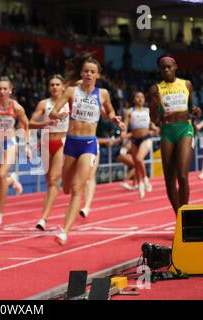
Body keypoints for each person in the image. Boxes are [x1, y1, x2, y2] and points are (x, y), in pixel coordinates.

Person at [50, 56, 126, 245]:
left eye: (92, 72)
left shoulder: (103, 94)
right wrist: (58, 115)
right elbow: (53, 112)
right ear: (81, 73)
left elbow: (109, 112)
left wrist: (114, 119)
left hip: (89, 144)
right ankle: (67, 218)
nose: (89, 74)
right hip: (71, 143)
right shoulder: (70, 91)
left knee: (77, 188)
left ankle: (64, 231)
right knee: (66, 187)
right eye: (86, 71)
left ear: (98, 75)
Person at [149, 55, 202, 215]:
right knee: (169, 180)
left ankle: (184, 216)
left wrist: (196, 111)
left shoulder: (186, 84)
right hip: (167, 131)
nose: (166, 69)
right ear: (160, 69)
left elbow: (192, 107)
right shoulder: (155, 89)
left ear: (175, 67)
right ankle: (179, 217)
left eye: (169, 66)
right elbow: (153, 118)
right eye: (163, 67)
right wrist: (154, 106)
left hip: (185, 129)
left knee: (183, 176)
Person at [29, 75, 68, 230]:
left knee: (53, 180)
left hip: (62, 142)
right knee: (49, 182)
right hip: (46, 142)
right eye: (51, 84)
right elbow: (31, 124)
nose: (54, 87)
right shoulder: (43, 104)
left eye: (57, 84)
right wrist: (46, 123)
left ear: (63, 87)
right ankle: (46, 212)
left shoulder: (69, 103)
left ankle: (43, 218)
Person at [0, 76, 29, 227]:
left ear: (10, 90)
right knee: (0, 181)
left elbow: (26, 124)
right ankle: (12, 179)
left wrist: (26, 144)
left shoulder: (16, 107)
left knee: (1, 174)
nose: (1, 91)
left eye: (5, 89)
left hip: (10, 143)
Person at [122, 91, 159, 198]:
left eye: (142, 97)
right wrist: (123, 133)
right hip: (134, 140)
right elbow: (125, 124)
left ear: (144, 99)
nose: (140, 99)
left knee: (139, 158)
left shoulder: (147, 111)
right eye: (137, 97)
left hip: (146, 138)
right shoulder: (129, 111)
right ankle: (141, 184)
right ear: (134, 100)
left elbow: (151, 124)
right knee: (137, 165)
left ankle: (146, 178)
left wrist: (155, 128)